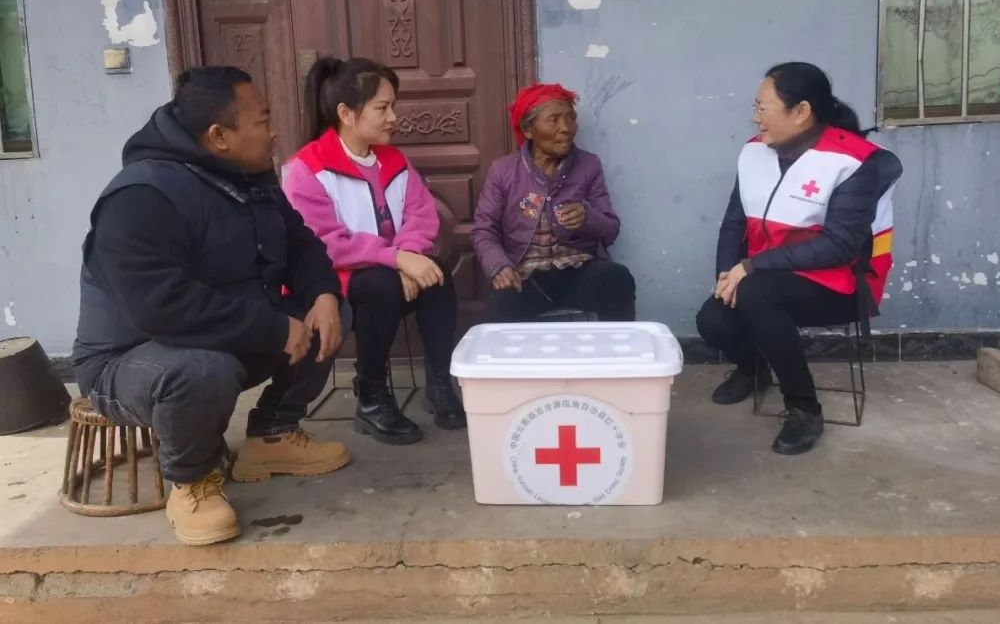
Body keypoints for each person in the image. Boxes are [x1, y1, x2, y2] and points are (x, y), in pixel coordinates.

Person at [72, 66, 351, 547]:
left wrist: (324, 293)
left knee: (332, 312)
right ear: (219, 136)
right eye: (263, 120)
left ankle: (272, 435)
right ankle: (192, 479)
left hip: (226, 335)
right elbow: (163, 307)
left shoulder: (251, 177)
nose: (274, 132)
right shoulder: (141, 196)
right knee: (203, 370)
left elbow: (301, 244)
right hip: (131, 359)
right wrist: (271, 328)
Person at [696, 62, 902, 456]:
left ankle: (805, 409)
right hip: (767, 279)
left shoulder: (852, 161)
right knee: (713, 319)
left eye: (763, 108)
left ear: (801, 111)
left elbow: (839, 245)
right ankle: (753, 370)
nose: (756, 118)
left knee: (756, 293)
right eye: (755, 108)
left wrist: (750, 267)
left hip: (838, 286)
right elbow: (734, 222)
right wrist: (726, 273)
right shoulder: (754, 153)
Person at [282, 56, 465, 446]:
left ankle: (439, 383)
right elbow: (324, 242)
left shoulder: (393, 160)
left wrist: (409, 256)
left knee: (435, 274)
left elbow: (421, 215)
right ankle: (371, 396)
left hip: (387, 270)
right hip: (332, 284)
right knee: (382, 283)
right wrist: (397, 259)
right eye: (383, 108)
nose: (393, 117)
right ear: (346, 113)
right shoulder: (307, 168)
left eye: (393, 106)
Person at [472, 83, 635, 322]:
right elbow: (484, 231)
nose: (566, 128)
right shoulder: (503, 171)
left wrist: (587, 217)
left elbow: (611, 231)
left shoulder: (589, 165)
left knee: (617, 278)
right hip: (526, 277)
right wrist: (499, 266)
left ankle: (619, 347)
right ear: (528, 129)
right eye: (554, 119)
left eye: (571, 119)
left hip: (578, 272)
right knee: (501, 300)